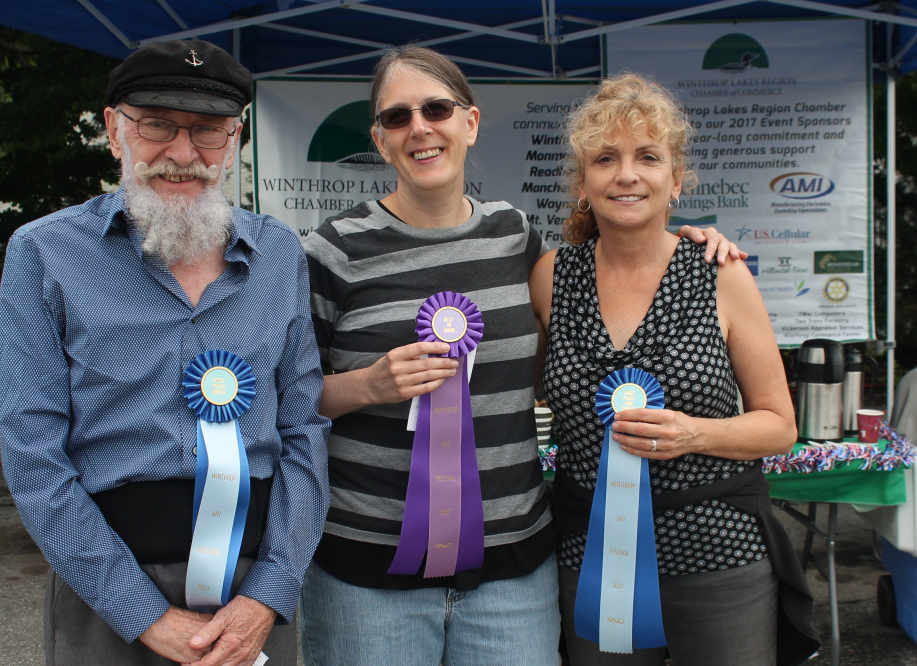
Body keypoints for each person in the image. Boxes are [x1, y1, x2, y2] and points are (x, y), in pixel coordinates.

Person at [300, 47, 740, 665]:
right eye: (398, 118)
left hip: (513, 573)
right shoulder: (333, 249)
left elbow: (608, 265)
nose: (420, 128)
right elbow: (282, 398)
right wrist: (367, 386)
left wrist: (688, 237)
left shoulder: (514, 236)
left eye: (437, 109)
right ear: (380, 140)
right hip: (368, 572)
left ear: (470, 123)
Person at [0, 40, 330, 666]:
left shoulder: (281, 256)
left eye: (207, 132)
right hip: (103, 594)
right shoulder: (44, 252)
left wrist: (271, 592)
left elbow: (303, 431)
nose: (182, 154)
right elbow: (31, 448)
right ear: (115, 131)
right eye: (157, 126)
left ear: (235, 139)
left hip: (250, 596)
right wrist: (139, 611)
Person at [529, 73, 820, 665]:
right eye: (606, 158)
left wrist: (696, 433)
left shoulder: (721, 273)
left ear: (675, 181)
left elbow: (780, 424)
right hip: (590, 558)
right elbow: (527, 392)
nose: (627, 174)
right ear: (583, 184)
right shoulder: (552, 276)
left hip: (717, 554)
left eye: (648, 157)